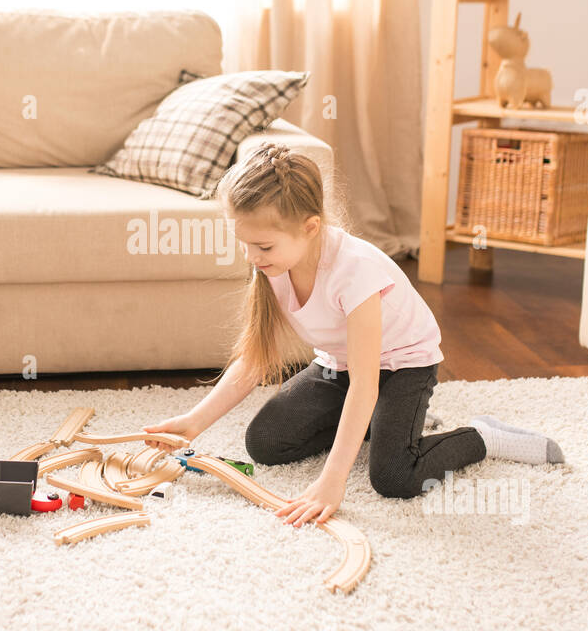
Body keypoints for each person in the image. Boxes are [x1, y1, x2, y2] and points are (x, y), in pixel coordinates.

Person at [144, 143, 564, 526]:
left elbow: (366, 384)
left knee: (395, 476)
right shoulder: (273, 265)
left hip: (403, 367)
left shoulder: (356, 272)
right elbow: (257, 358)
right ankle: (387, 424)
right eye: (245, 244)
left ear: (310, 227)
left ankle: (482, 436)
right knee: (266, 442)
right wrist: (194, 421)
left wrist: (333, 480)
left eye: (264, 247)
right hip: (338, 365)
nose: (252, 258)